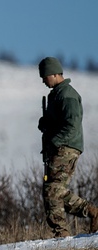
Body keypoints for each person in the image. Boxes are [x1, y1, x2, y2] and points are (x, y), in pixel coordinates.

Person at [37, 56, 98, 237]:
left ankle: (62, 234)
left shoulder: (67, 95)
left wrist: (56, 141)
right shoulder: (57, 95)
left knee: (52, 190)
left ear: (54, 74)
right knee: (56, 191)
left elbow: (72, 125)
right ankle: (93, 212)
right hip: (60, 147)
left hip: (65, 148)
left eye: (45, 76)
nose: (43, 80)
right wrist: (46, 122)